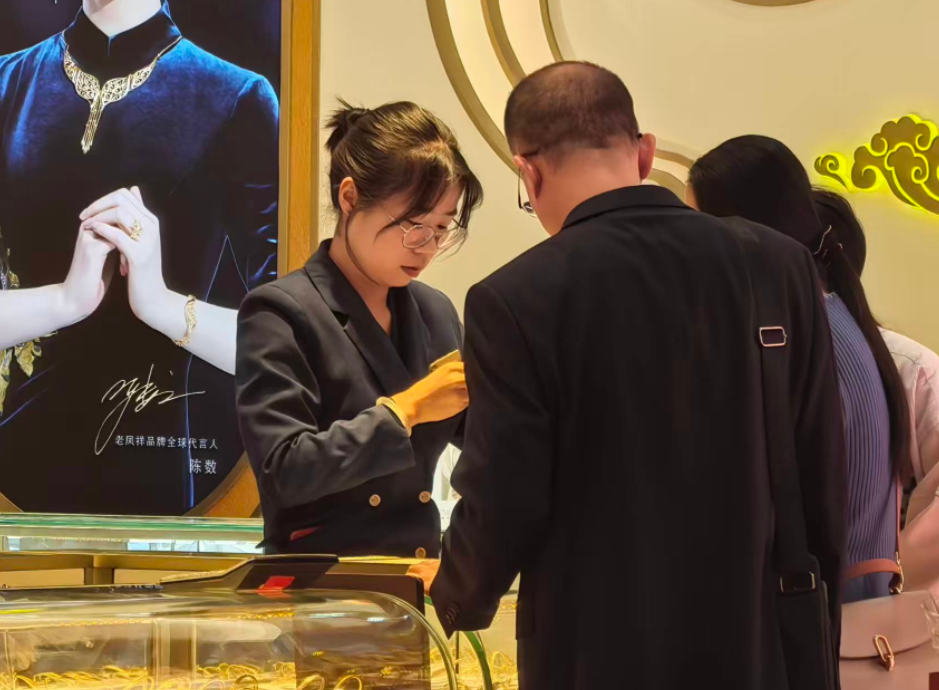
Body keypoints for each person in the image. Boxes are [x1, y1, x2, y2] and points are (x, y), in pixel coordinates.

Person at [424, 62, 846, 689]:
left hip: (592, 655)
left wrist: (455, 596)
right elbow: (821, 474)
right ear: (643, 153)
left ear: (529, 172)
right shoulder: (777, 264)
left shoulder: (515, 298)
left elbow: (505, 494)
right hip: (759, 647)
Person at [0, 0, 278, 514]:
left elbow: (288, 350)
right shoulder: (8, 82)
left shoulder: (236, 97)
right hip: (11, 471)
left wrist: (161, 304)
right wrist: (63, 300)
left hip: (155, 470)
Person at [235, 100, 482, 558]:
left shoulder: (436, 312)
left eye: (441, 227)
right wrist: (404, 410)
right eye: (413, 225)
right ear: (349, 198)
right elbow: (282, 470)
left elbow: (487, 437)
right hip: (318, 583)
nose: (427, 247)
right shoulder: (280, 312)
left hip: (415, 577)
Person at [688, 136, 911, 603]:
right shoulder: (838, 316)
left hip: (819, 620)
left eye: (697, 225)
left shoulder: (788, 337)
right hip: (854, 611)